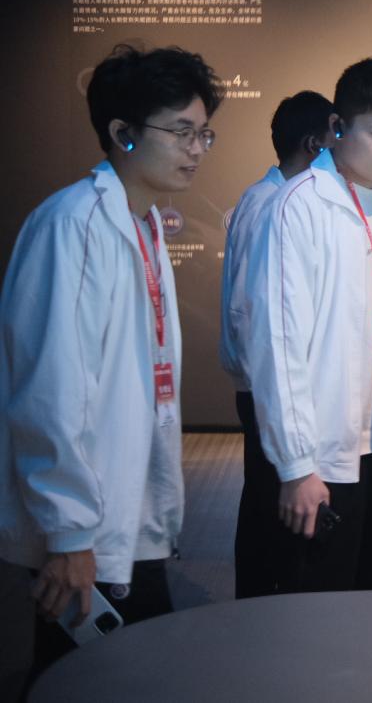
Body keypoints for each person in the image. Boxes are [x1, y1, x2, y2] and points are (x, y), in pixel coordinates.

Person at [0, 45, 221, 697]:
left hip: (127, 507)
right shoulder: (74, 224)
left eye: (203, 133)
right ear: (123, 133)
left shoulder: (141, 219)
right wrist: (69, 530)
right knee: (87, 678)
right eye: (180, 132)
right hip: (87, 522)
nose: (196, 149)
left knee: (121, 672)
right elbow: (50, 392)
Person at [245, 58, 372, 593]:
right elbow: (278, 344)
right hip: (328, 448)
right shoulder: (299, 205)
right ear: (338, 127)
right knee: (323, 599)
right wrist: (295, 465)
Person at [220, 90, 333, 599]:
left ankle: (260, 602)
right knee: (275, 509)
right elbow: (255, 313)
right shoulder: (276, 204)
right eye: (336, 137)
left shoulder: (266, 196)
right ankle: (263, 610)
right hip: (271, 385)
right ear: (314, 144)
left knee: (265, 504)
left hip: (264, 383)